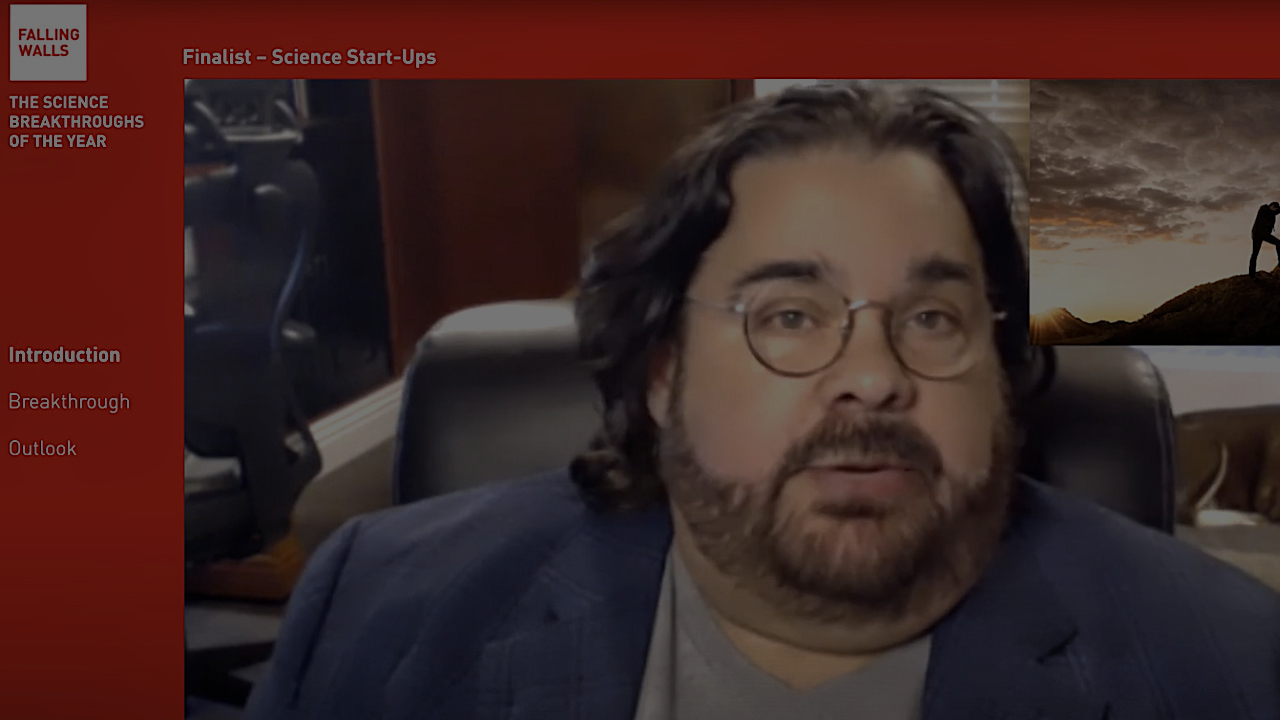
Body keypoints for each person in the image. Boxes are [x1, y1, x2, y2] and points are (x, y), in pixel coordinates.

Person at [246, 83, 1280, 720]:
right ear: (663, 376)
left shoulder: (1227, 665)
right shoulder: (381, 610)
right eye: (789, 315)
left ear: (1001, 380)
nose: (872, 375)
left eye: (931, 318)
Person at [1251, 200, 1280, 277]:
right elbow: (1267, 210)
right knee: (1255, 254)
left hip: (1265, 234)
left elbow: (1277, 212)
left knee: (1278, 243)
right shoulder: (1264, 209)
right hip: (1258, 234)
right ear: (1272, 206)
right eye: (1275, 209)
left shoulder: (1272, 213)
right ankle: (1252, 274)